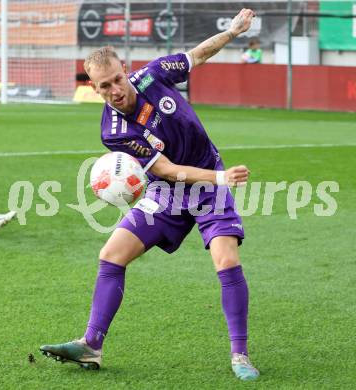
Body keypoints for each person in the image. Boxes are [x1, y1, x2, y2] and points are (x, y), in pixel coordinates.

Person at [40, 8, 259, 381]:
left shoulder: (155, 74)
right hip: (170, 189)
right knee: (111, 254)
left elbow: (198, 54)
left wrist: (234, 32)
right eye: (104, 87)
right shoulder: (113, 132)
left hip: (207, 184)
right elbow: (167, 171)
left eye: (116, 79)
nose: (114, 91)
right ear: (93, 89)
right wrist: (220, 177)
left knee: (226, 261)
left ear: (125, 70)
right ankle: (92, 344)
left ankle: (240, 355)